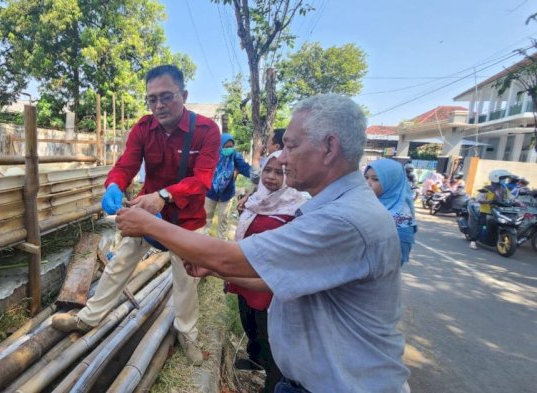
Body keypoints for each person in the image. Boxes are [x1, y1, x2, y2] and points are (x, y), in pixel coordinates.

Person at [116, 94, 410, 392]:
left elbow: (232, 257)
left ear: (329, 147)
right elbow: (276, 277)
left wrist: (149, 223)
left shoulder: (345, 220)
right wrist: (217, 272)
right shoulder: (332, 208)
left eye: (291, 146)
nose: (281, 158)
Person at [51, 64, 221, 365]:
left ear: (183, 95)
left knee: (185, 282)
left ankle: (187, 333)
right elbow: (126, 164)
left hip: (188, 222)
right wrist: (114, 185)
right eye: (152, 99)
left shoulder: (207, 130)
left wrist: (164, 195)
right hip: (147, 214)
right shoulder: (143, 128)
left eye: (166, 97)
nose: (158, 105)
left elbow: (203, 179)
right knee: (119, 265)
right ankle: (88, 318)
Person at [226, 150, 306, 393]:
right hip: (245, 276)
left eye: (280, 172)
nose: (271, 177)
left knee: (271, 339)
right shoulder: (255, 200)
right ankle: (255, 362)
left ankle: (272, 382)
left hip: (269, 284)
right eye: (268, 171)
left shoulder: (297, 206)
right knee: (250, 326)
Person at [365, 159, 417, 265]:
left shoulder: (401, 220)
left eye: (375, 179)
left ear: (392, 182)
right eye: (366, 178)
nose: (368, 183)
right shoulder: (365, 204)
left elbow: (395, 262)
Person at [204, 133, 251, 238]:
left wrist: (257, 174)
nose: (229, 149)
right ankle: (204, 240)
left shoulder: (234, 156)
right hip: (210, 191)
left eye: (231, 146)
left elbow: (244, 168)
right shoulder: (212, 155)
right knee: (206, 217)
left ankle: (221, 244)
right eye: (226, 146)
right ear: (220, 145)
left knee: (223, 219)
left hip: (227, 193)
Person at [470, 169, 515, 250]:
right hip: (486, 211)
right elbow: (479, 198)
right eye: (502, 178)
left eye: (504, 178)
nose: (504, 180)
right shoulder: (486, 189)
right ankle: (473, 241)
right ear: (496, 178)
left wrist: (519, 202)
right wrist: (486, 201)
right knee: (482, 225)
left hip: (500, 211)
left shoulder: (504, 189)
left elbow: (511, 197)